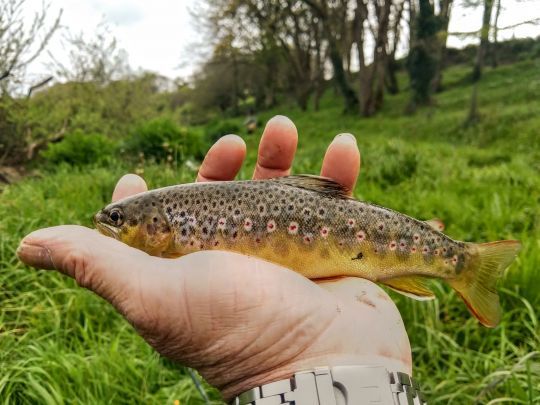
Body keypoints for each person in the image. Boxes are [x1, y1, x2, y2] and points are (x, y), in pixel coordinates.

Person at [17, 115, 413, 403]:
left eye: (118, 220)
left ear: (157, 226)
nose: (108, 224)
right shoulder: (168, 234)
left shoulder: (169, 238)